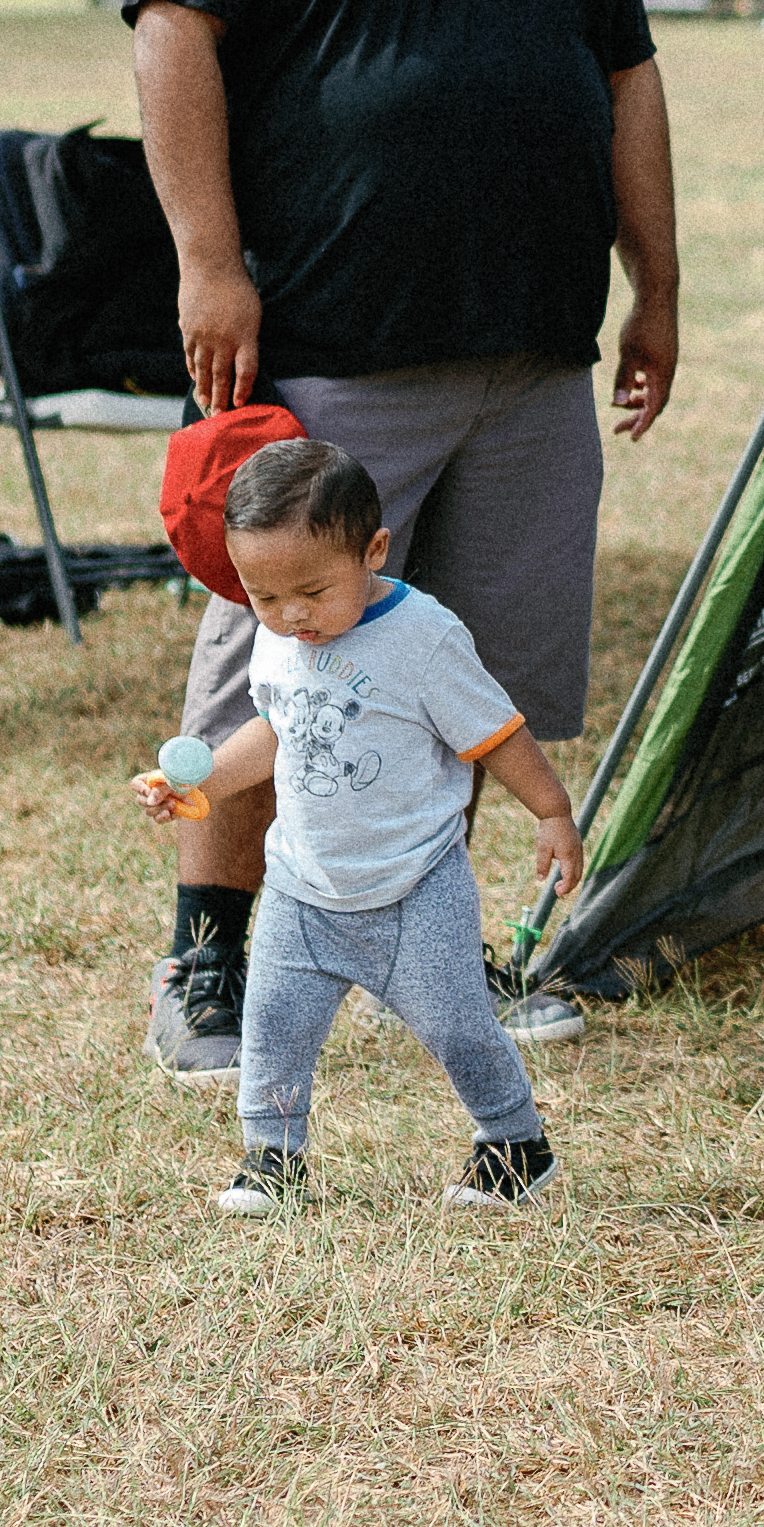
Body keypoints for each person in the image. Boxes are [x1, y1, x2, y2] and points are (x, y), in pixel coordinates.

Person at [125, 0, 678, 1080]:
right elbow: (174, 31)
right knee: (276, 663)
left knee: (458, 681)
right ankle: (208, 964)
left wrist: (657, 285)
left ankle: (430, 952)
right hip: (332, 339)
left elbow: (626, 77)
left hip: (530, 352)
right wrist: (209, 260)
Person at [138, 435, 581, 1211]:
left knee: (458, 1028)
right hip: (302, 887)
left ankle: (515, 1144)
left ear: (373, 551)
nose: (291, 615)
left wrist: (551, 811)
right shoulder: (279, 641)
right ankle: (272, 1159)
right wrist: (200, 781)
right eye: (264, 597)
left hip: (414, 887)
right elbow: (273, 730)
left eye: (312, 590)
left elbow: (495, 733)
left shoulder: (422, 637)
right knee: (273, 1029)